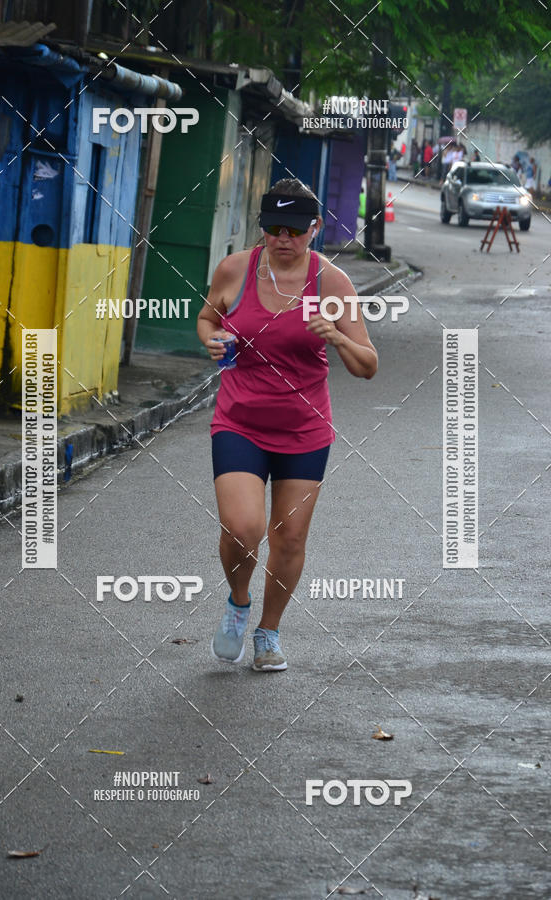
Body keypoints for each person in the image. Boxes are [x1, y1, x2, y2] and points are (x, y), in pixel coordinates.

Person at [197, 178, 378, 672]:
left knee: (289, 537)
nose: (284, 238)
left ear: (314, 229)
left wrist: (336, 338)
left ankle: (268, 633)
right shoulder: (236, 269)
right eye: (274, 228)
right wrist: (212, 341)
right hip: (239, 422)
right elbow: (208, 318)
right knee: (242, 528)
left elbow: (368, 365)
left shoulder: (332, 284)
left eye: (295, 230)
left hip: (304, 430)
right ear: (262, 229)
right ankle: (238, 603)